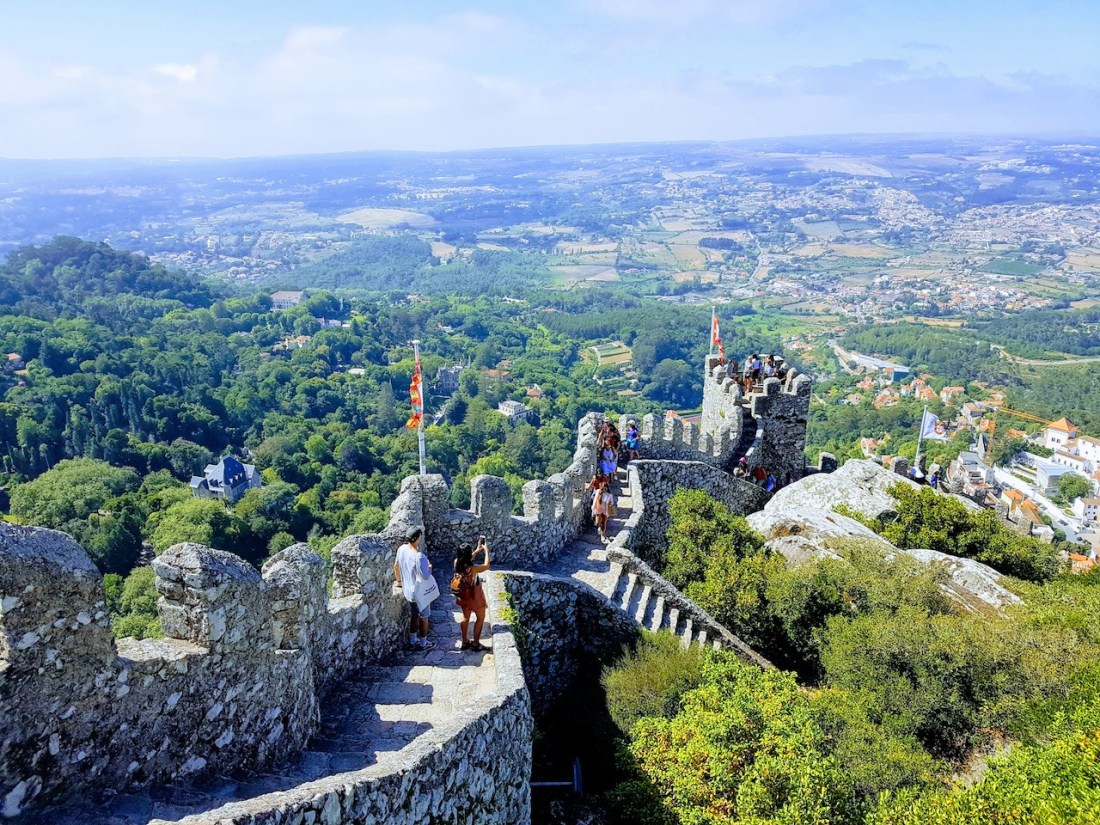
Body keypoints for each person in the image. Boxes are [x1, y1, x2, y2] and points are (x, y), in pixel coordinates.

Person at [393, 526, 436, 651]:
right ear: (418, 538)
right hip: (420, 593)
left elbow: (396, 566)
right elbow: (426, 576)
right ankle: (423, 643)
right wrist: (429, 567)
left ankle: (412, 640)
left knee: (414, 615)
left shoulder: (401, 549)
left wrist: (399, 581)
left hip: (409, 592)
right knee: (424, 616)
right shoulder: (419, 556)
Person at [453, 539, 491, 652]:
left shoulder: (457, 563)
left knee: (465, 617)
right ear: (468, 555)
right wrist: (486, 551)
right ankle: (475, 643)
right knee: (480, 618)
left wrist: (477, 550)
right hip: (474, 597)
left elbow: (466, 560)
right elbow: (486, 565)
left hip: (463, 596)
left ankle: (464, 641)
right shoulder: (473, 569)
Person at [592, 479, 616, 543]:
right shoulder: (597, 492)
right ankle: (599, 528)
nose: (604, 490)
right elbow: (593, 498)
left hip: (605, 510)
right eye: (603, 488)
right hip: (598, 509)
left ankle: (602, 536)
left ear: (607, 488)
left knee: (604, 523)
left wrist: (610, 503)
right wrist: (593, 508)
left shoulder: (609, 495)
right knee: (597, 523)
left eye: (605, 488)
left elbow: (612, 502)